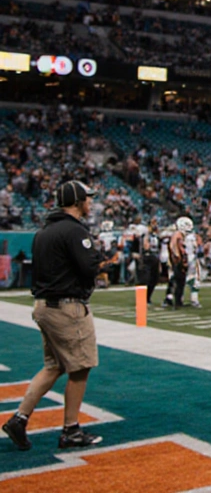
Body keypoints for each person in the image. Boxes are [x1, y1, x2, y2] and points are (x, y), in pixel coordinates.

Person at [3, 180, 111, 451]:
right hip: (67, 306)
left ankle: (19, 418)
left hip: (43, 306)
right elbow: (89, 267)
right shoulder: (74, 230)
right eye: (87, 198)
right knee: (80, 367)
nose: (90, 202)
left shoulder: (44, 231)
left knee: (54, 366)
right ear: (77, 201)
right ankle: (71, 430)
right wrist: (101, 257)